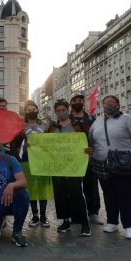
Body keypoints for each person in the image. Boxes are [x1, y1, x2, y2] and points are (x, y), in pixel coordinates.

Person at [88, 95, 131, 239]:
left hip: (123, 163)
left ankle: (129, 226)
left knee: (125, 195)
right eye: (106, 103)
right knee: (109, 194)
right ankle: (112, 221)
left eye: (112, 102)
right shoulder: (97, 122)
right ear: (102, 105)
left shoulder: (127, 119)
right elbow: (91, 141)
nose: (109, 105)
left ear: (118, 105)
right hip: (101, 163)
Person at [48, 99, 91, 237]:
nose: (61, 112)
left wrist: (89, 150)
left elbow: (86, 142)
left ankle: (84, 223)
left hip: (74, 166)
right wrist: (33, 146)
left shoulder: (77, 126)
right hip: (57, 167)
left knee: (76, 193)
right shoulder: (52, 128)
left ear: (68, 110)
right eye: (58, 111)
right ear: (55, 112)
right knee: (60, 194)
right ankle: (66, 220)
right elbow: (44, 145)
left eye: (63, 110)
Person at [69, 91, 103, 225]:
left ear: (83, 103)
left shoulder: (91, 118)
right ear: (70, 103)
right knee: (74, 187)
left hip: (89, 158)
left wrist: (93, 149)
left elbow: (97, 137)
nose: (78, 102)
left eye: (80, 100)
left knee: (91, 186)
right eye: (74, 100)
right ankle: (75, 213)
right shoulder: (67, 119)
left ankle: (93, 212)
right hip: (71, 159)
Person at [21, 100, 51, 228]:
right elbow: (16, 142)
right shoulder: (22, 126)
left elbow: (51, 142)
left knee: (42, 188)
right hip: (27, 159)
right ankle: (35, 216)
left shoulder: (45, 125)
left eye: (33, 109)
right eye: (29, 110)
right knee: (32, 188)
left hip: (42, 159)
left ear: (37, 110)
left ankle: (44, 216)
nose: (31, 112)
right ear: (25, 112)